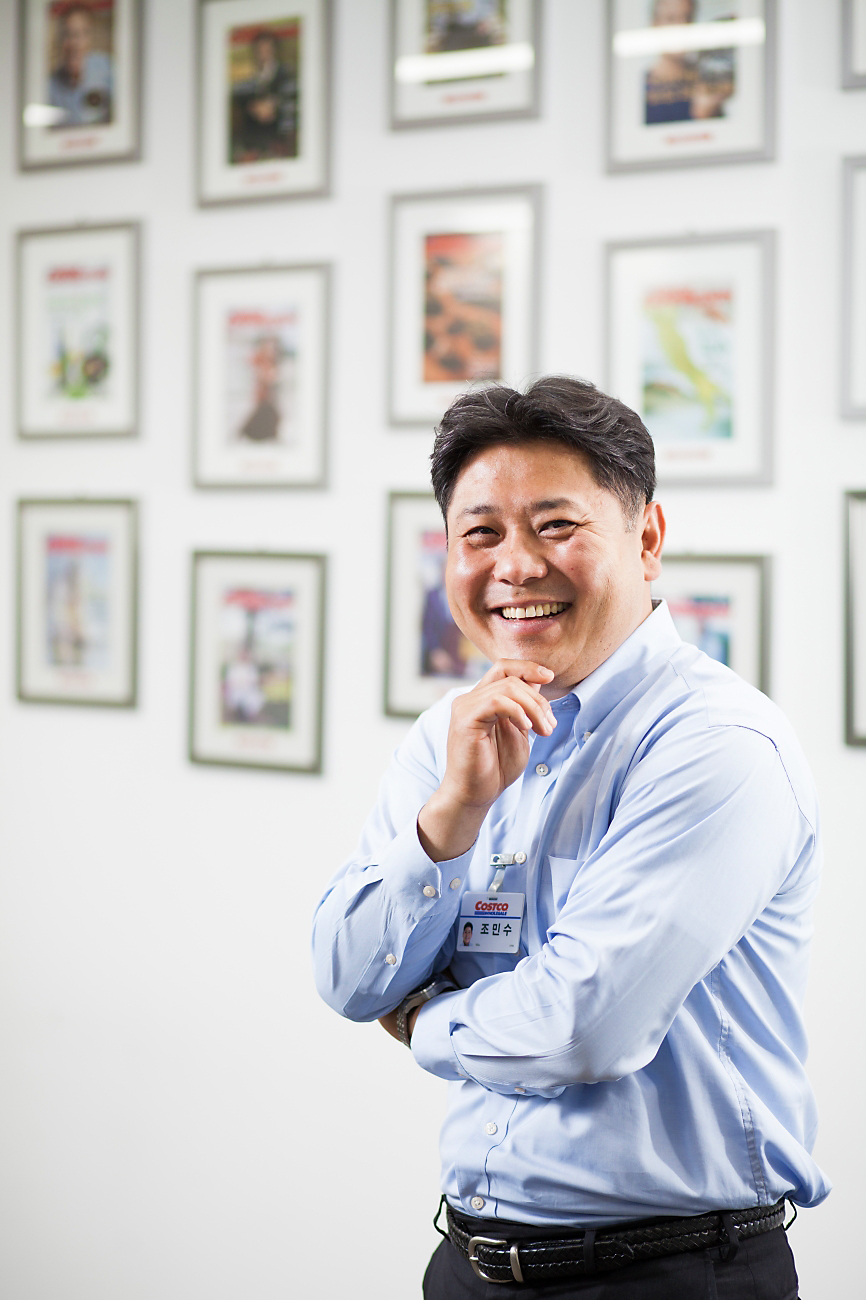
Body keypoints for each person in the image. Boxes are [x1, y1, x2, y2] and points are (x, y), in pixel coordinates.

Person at [312, 377, 830, 1297]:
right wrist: (450, 818)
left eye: (556, 527)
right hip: (469, 1262)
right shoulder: (449, 738)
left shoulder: (717, 745)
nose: (514, 566)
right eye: (480, 534)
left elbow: (580, 1028)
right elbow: (348, 978)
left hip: (673, 1272)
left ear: (647, 539)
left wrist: (425, 1019)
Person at [230, 29, 298, 163]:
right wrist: (253, 107)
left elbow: (290, 102)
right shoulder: (251, 80)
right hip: (256, 142)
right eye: (260, 50)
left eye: (267, 49)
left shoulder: (286, 74)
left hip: (280, 140)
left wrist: (275, 105)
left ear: (275, 50)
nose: (263, 54)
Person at [48, 3, 113, 128]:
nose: (74, 43)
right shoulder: (50, 86)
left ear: (90, 38)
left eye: (80, 34)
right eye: (67, 35)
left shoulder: (109, 70)